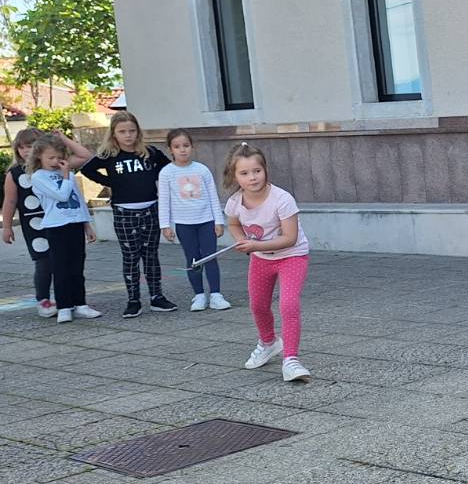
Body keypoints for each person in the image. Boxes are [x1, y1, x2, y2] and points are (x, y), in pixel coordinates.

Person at [222, 142, 312, 382]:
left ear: (265, 170)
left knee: (288, 304)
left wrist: (254, 246)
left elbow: (290, 238)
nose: (252, 177)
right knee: (258, 305)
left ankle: (291, 360)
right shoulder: (235, 202)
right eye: (244, 173)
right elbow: (233, 223)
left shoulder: (282, 199)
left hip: (292, 256)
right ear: (234, 176)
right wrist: (241, 240)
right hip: (261, 258)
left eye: (257, 171)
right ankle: (268, 342)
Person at [79, 110, 176, 318]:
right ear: (114, 133)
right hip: (124, 212)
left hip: (150, 209)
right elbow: (87, 170)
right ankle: (133, 300)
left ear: (138, 132)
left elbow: (168, 168)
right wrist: (110, 182)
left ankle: (157, 296)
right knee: (131, 256)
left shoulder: (149, 152)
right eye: (122, 132)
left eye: (132, 131)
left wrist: (153, 177)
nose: (128, 135)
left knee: (151, 255)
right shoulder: (109, 155)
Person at [2, 129, 93, 317]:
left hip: (63, 219)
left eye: (31, 146)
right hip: (34, 223)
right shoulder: (16, 173)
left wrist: (63, 139)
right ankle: (43, 299)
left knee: (69, 262)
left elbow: (85, 156)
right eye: (21, 147)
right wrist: (7, 226)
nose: (26, 150)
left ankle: (73, 301)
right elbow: (10, 201)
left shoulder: (58, 166)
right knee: (44, 262)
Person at [27, 134, 102, 323]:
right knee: (60, 268)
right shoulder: (38, 177)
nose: (55, 162)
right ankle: (64, 306)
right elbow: (61, 195)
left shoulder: (67, 173)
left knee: (77, 266)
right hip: (56, 226)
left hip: (75, 224)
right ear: (39, 157)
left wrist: (87, 225)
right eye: (50, 157)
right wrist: (67, 174)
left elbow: (79, 201)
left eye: (58, 157)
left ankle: (81, 304)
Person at [157, 129, 230, 312]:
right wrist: (165, 225)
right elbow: (164, 200)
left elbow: (213, 196)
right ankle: (199, 295)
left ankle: (216, 295)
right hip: (184, 224)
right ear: (170, 149)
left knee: (210, 256)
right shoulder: (166, 173)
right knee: (193, 259)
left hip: (206, 221)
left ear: (192, 147)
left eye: (186, 145)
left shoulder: (202, 169)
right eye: (177, 146)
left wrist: (218, 220)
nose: (182, 150)